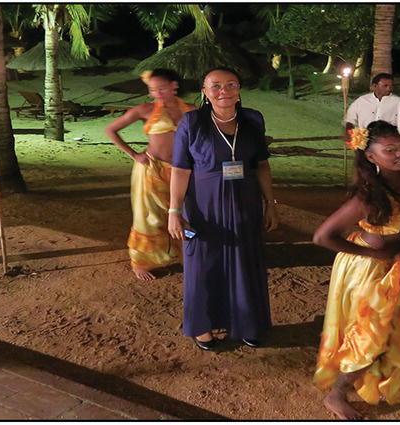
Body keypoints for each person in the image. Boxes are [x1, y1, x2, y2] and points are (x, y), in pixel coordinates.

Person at [312, 121, 400, 419]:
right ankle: (336, 394)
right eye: (389, 150)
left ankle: (386, 370)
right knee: (372, 333)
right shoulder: (367, 196)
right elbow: (323, 236)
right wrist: (374, 253)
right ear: (371, 158)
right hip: (371, 270)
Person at [168, 68, 279, 351]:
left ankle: (248, 323)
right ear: (204, 92)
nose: (224, 91)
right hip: (204, 206)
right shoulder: (192, 122)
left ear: (239, 89)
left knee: (246, 262)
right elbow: (180, 169)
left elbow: (262, 165)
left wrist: (270, 204)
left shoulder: (253, 119)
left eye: (230, 85)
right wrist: (174, 211)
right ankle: (202, 326)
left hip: (246, 203)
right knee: (204, 264)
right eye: (215, 86)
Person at [105, 69, 196, 280]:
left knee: (184, 214)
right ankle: (141, 261)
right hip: (150, 170)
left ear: (174, 86)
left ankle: (187, 255)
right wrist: (134, 154)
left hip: (182, 170)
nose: (157, 93)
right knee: (149, 217)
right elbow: (111, 130)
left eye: (162, 88)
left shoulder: (192, 110)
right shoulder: (144, 110)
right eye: (152, 89)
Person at [343, 73, 400, 139]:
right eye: (385, 86)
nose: (389, 89)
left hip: (390, 143)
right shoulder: (361, 101)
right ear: (375, 86)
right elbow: (350, 119)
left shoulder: (399, 102)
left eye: (391, 86)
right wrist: (348, 130)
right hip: (365, 142)